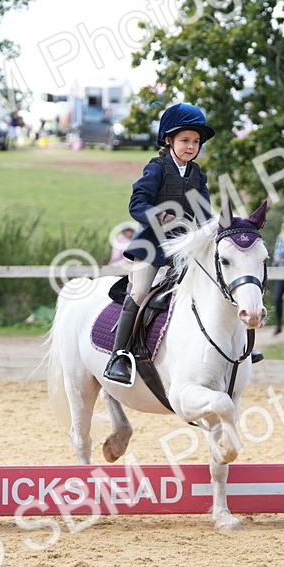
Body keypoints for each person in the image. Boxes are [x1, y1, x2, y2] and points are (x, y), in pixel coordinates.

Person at [104, 103, 214, 385]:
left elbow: (203, 213)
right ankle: (119, 356)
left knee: (210, 286)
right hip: (152, 247)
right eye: (185, 140)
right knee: (140, 291)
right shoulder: (157, 167)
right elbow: (136, 203)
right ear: (169, 140)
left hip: (183, 250)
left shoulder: (197, 175)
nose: (191, 147)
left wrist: (217, 228)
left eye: (195, 142)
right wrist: (158, 216)